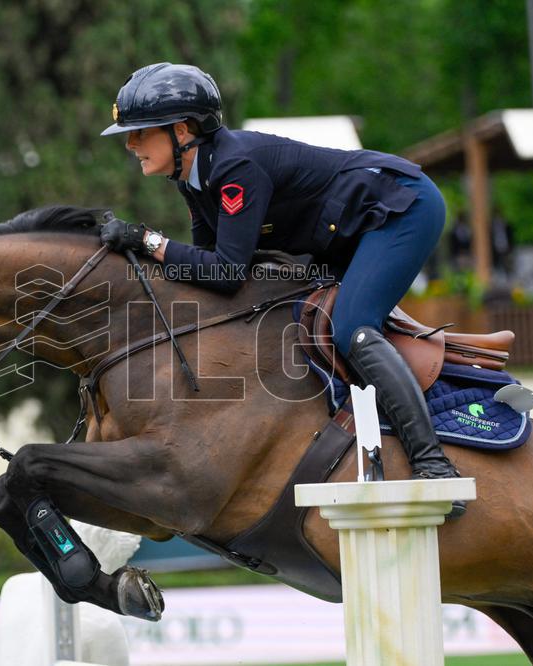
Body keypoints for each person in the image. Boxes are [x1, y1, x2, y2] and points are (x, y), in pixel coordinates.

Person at [99, 62, 464, 514]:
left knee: (350, 328)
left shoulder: (234, 168)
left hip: (399, 208)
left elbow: (228, 270)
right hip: (348, 230)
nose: (130, 144)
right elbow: (207, 274)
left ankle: (435, 466)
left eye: (140, 132)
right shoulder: (194, 179)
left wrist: (149, 240)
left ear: (182, 129)